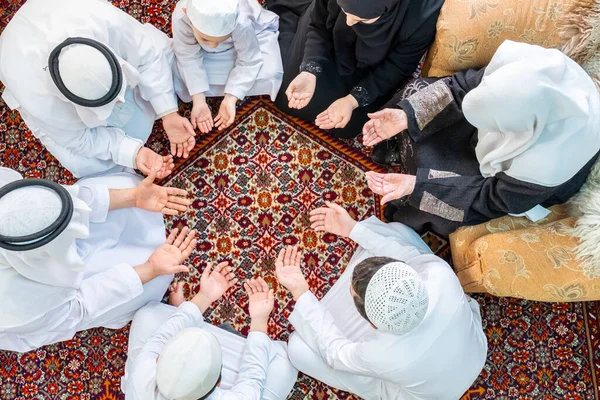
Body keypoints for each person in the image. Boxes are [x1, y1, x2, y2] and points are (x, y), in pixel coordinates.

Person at [362, 41, 600, 235]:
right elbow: (462, 88)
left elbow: (492, 199)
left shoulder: (548, 165)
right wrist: (406, 117)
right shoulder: (528, 66)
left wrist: (416, 186)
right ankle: (395, 148)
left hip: (507, 180)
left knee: (438, 199)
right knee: (419, 92)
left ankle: (403, 207)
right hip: (505, 121)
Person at [275, 202, 487, 399]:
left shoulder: (379, 353)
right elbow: (407, 253)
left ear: (371, 324)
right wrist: (351, 228)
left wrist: (301, 292)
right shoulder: (438, 274)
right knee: (400, 232)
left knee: (297, 348)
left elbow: (335, 353)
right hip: (476, 353)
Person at [0, 167, 195, 352]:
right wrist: (151, 268)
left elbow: (71, 202)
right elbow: (82, 307)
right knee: (156, 280)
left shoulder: (11, 197)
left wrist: (133, 197)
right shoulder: (16, 307)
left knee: (128, 185)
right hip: (59, 299)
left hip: (48, 252)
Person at [0, 0, 196, 179]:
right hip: (23, 69)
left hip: (54, 8)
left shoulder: (98, 19)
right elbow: (80, 140)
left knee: (168, 56)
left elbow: (148, 55)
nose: (120, 101)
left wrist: (168, 113)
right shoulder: (38, 99)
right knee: (87, 167)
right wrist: (134, 153)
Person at [266, 0, 444, 138]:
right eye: (345, 12)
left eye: (361, 19)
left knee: (349, 127)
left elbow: (397, 67)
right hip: (331, 35)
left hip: (377, 63)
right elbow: (319, 24)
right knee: (284, 93)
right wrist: (309, 70)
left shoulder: (421, 16)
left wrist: (352, 100)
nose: (349, 22)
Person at [122, 268, 298, 399]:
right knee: (284, 365)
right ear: (219, 384)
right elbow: (252, 378)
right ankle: (196, 322)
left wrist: (204, 296)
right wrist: (259, 319)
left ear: (158, 360)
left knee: (147, 316)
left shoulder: (142, 374)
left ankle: (184, 315)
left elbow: (162, 336)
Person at [172, 0, 283, 133]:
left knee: (272, 73)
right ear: (188, 15)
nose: (213, 46)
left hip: (245, 42)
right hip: (204, 54)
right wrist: (199, 100)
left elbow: (249, 60)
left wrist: (231, 97)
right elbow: (188, 57)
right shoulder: (181, 16)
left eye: (220, 39)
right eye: (206, 39)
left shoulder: (241, 20)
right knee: (176, 75)